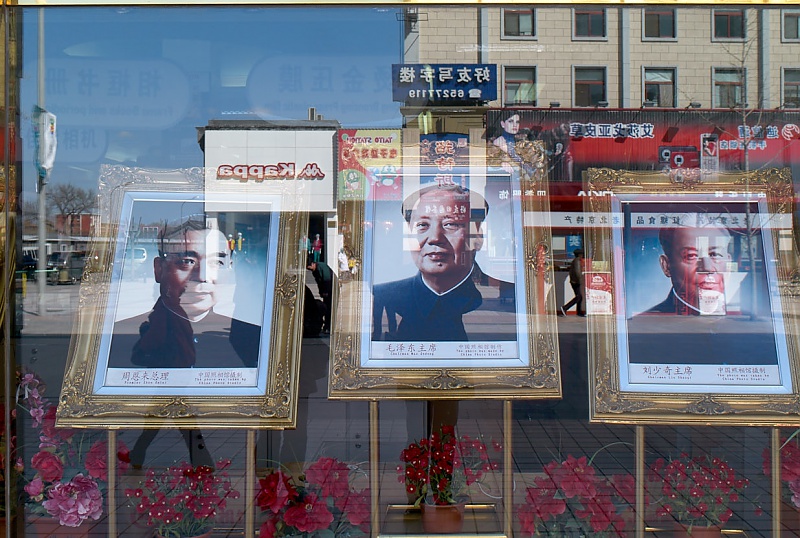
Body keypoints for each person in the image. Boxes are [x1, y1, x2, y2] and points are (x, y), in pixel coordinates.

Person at [109, 216, 260, 369]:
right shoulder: (112, 340)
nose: (202, 276)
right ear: (159, 269)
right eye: (187, 261)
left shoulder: (247, 336)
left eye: (216, 262)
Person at [372, 184, 513, 342]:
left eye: (451, 224)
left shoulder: (509, 298)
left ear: (477, 238)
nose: (435, 238)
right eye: (422, 225)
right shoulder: (388, 294)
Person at [645, 222, 732, 316]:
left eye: (715, 254)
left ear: (729, 264)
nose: (707, 268)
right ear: (666, 266)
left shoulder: (738, 314)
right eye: (691, 256)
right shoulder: (649, 320)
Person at [307, 257, 334, 334]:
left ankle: (328, 326)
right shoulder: (314, 271)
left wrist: (326, 291)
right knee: (327, 307)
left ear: (313, 264)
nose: (309, 269)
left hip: (330, 290)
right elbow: (319, 282)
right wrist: (321, 292)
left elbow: (327, 280)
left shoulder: (322, 267)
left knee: (329, 308)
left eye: (309, 267)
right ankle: (327, 325)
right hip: (326, 292)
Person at [559, 249, 585, 317]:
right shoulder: (577, 261)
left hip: (575, 280)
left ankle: (579, 312)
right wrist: (580, 280)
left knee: (579, 297)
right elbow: (577, 272)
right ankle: (565, 308)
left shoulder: (575, 260)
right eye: (582, 254)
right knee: (579, 297)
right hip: (576, 281)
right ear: (580, 254)